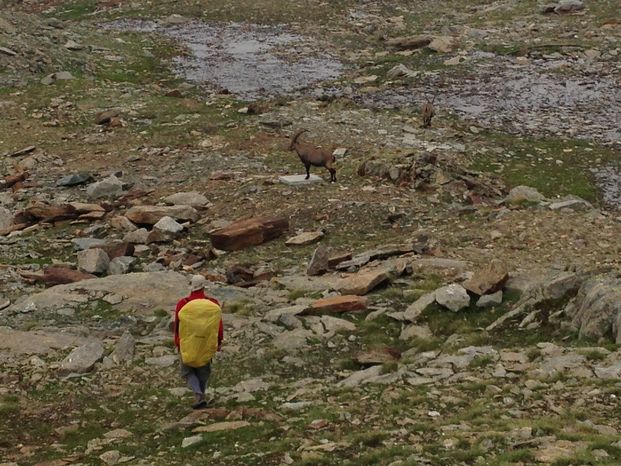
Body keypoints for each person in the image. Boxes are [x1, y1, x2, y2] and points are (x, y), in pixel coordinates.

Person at [173, 274, 223, 409]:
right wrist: (218, 342)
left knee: (187, 371)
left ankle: (198, 394)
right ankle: (201, 396)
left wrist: (177, 341)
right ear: (204, 287)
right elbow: (218, 326)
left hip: (187, 343)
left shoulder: (183, 303)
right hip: (206, 343)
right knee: (203, 371)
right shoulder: (213, 304)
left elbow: (177, 326)